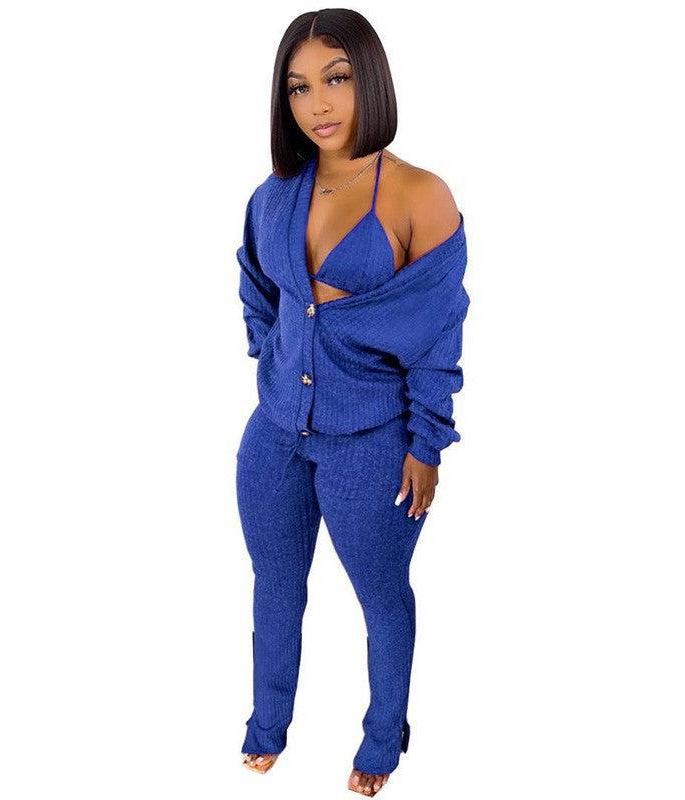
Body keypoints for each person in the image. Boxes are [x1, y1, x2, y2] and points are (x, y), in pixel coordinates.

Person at [235, 9, 469, 796]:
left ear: (369, 76)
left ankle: (382, 737)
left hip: (371, 443)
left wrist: (426, 445)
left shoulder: (419, 194)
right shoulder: (274, 194)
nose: (319, 104)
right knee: (274, 587)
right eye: (298, 87)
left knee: (381, 597)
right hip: (274, 436)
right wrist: (276, 358)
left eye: (335, 78)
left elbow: (439, 334)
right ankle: (266, 727)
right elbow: (258, 288)